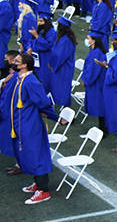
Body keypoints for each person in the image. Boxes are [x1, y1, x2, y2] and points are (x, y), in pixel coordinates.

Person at [10, 51, 58, 204]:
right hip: (22, 122)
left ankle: (43, 190)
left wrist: (53, 116)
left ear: (25, 65)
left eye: (17, 61)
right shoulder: (22, 78)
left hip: (30, 124)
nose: (14, 62)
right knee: (29, 153)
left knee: (36, 153)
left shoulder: (30, 81)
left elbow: (43, 102)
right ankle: (38, 183)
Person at [45, 16, 76, 107]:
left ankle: (65, 109)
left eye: (57, 24)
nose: (55, 25)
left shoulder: (66, 40)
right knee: (57, 87)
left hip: (63, 68)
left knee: (62, 88)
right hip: (60, 66)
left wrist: (53, 65)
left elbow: (60, 56)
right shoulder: (63, 37)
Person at [81, 30, 107, 130]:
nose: (87, 40)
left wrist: (86, 80)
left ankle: (103, 128)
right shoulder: (94, 51)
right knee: (100, 104)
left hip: (97, 83)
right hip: (96, 82)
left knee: (100, 104)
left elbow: (93, 70)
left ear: (93, 41)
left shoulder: (97, 53)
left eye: (88, 38)